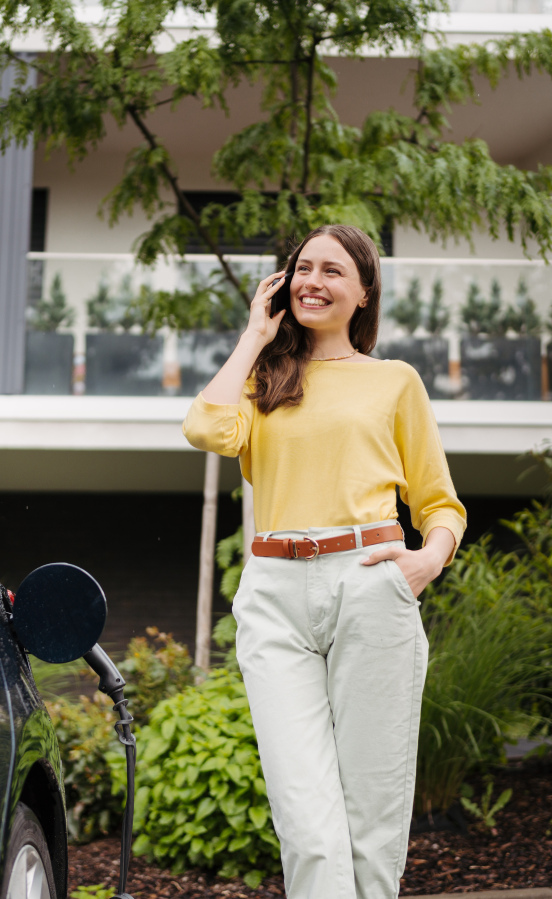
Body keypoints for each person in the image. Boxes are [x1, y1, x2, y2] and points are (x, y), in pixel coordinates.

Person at [182, 224, 466, 899]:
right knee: (307, 824)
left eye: (334, 270)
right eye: (302, 267)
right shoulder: (263, 380)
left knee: (371, 818)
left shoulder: (394, 382)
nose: (313, 280)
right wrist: (254, 333)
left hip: (370, 581)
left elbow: (440, 502)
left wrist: (426, 561)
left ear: (364, 291)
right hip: (275, 591)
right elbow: (204, 427)